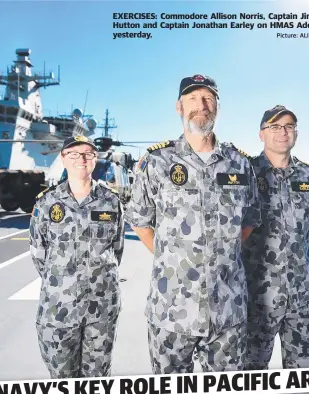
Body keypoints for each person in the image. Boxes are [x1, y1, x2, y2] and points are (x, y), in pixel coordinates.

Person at [125, 74, 261, 374]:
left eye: (208, 98)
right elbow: (140, 220)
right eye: (192, 98)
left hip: (228, 310)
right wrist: (171, 257)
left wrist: (221, 253)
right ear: (179, 107)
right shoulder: (157, 161)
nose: (201, 105)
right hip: (171, 311)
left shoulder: (240, 164)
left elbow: (249, 221)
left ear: (218, 107)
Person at [29, 135, 125, 378]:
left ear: (95, 159)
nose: (81, 159)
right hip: (58, 311)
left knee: (98, 379)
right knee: (62, 379)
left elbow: (117, 249)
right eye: (74, 153)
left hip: (101, 311)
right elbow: (39, 254)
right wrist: (65, 283)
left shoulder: (111, 201)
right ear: (63, 158)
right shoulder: (47, 203)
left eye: (88, 154)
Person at [242, 105, 309, 370]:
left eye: (289, 126)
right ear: (261, 134)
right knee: (251, 378)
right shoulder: (245, 175)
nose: (283, 132)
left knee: (300, 377)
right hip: (256, 300)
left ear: (296, 133)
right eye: (275, 126)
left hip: (301, 301)